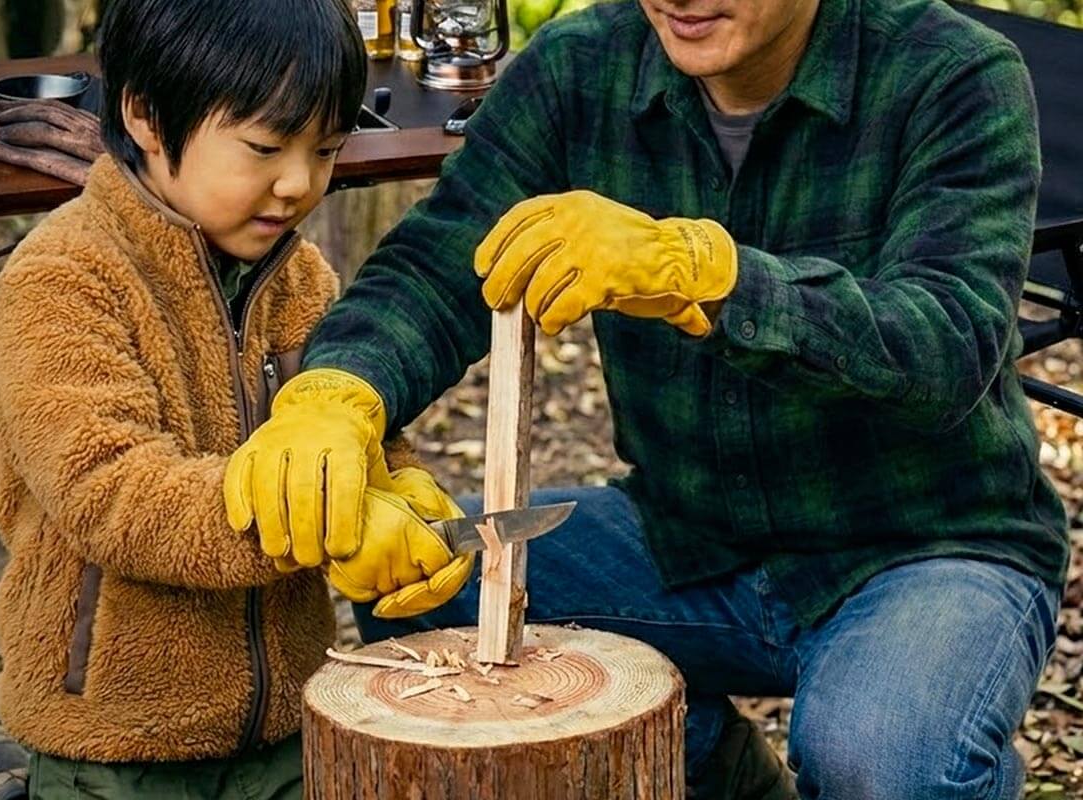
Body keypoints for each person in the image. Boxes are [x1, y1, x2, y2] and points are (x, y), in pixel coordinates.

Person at [225, 0, 1070, 797]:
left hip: (927, 545)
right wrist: (335, 395)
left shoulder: (953, 73)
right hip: (687, 537)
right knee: (425, 589)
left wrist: (708, 277)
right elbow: (436, 267)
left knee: (879, 756)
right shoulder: (577, 68)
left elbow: (947, 343)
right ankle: (715, 773)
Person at [0, 1, 470, 798]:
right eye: (263, 148)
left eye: (325, 150)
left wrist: (398, 487)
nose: (298, 183)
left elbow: (350, 425)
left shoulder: (298, 279)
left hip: (289, 715)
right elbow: (112, 493)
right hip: (114, 738)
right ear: (147, 117)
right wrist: (321, 522)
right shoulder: (64, 280)